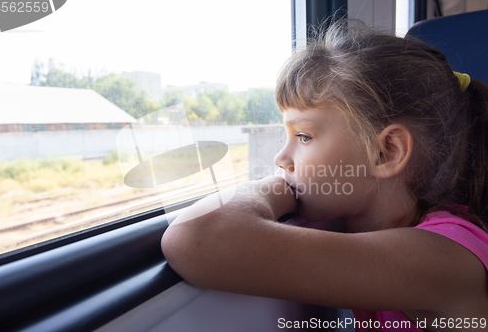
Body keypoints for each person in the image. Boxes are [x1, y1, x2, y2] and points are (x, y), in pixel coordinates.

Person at [161, 20, 488, 331]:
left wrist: (277, 186)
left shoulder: (442, 258)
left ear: (385, 152)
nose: (281, 158)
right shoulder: (368, 227)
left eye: (303, 137)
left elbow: (196, 237)